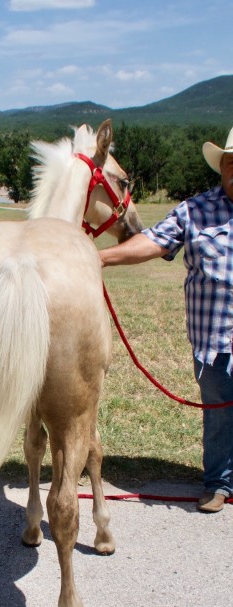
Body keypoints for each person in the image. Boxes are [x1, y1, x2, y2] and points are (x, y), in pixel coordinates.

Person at [100, 127, 233, 513]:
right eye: (230, 163)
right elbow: (155, 240)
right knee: (220, 411)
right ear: (221, 168)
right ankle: (219, 484)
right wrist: (102, 258)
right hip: (216, 341)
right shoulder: (196, 210)